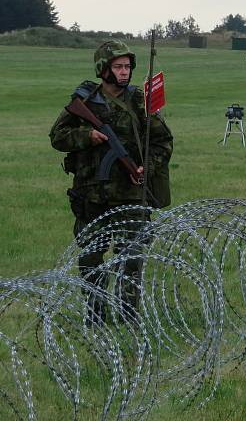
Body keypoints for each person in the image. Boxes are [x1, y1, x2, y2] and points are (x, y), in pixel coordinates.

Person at [50, 40, 173, 324]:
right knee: (92, 257)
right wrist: (86, 137)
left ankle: (128, 315)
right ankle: (95, 313)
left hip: (131, 195)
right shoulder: (84, 100)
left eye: (127, 66)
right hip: (92, 196)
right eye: (118, 67)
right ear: (103, 69)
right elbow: (57, 137)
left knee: (131, 258)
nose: (124, 72)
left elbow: (163, 141)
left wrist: (146, 169)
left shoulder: (140, 102)